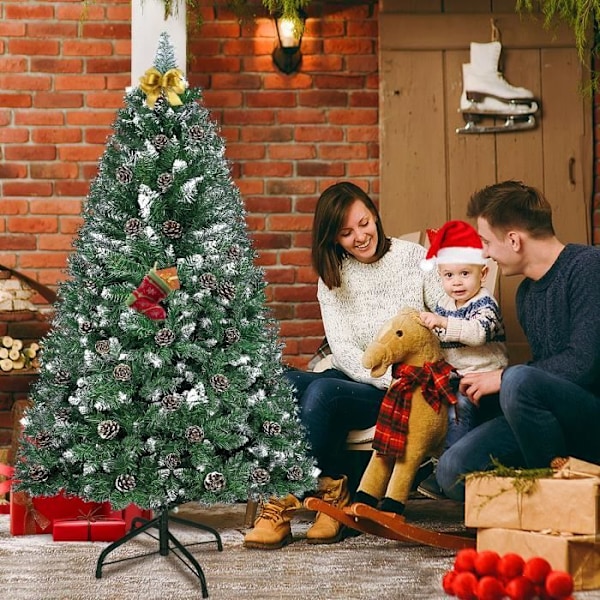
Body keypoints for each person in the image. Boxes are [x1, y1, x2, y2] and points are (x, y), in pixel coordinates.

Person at [243, 181, 444, 549]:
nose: (360, 237)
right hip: (360, 377)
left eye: (364, 223)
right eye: (346, 232)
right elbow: (343, 347)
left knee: (322, 392)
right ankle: (333, 489)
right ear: (333, 238)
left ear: (375, 214)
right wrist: (378, 378)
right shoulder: (334, 274)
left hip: (402, 384)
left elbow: (444, 318)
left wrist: (400, 379)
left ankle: (284, 500)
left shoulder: (414, 258)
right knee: (279, 381)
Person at [436, 180, 600, 502]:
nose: (483, 253)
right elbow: (542, 376)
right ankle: (541, 487)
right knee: (452, 469)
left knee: (517, 378)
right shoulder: (526, 294)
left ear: (513, 240)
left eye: (485, 241)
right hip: (551, 424)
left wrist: (503, 377)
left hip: (591, 419)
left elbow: (584, 364)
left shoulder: (588, 268)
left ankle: (553, 502)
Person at [416, 220, 509, 499]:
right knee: (426, 399)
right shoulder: (444, 304)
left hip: (486, 378)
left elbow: (477, 334)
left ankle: (447, 470)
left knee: (460, 407)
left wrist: (442, 323)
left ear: (483, 273)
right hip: (455, 377)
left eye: (464, 274)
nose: (456, 282)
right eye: (448, 275)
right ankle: (425, 463)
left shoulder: (485, 304)